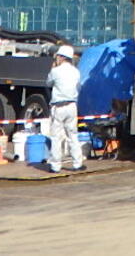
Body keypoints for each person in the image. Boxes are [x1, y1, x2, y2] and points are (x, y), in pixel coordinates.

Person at [45, 44, 85, 173]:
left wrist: (53, 69)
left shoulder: (56, 71)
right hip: (72, 106)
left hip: (59, 106)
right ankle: (77, 164)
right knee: (73, 135)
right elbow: (79, 88)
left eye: (57, 57)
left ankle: (55, 166)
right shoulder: (76, 72)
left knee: (56, 137)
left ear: (61, 57)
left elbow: (48, 83)